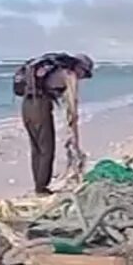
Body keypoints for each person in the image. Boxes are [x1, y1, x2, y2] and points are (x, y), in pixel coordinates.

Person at [14, 51, 93, 195]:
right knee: (46, 150)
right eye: (84, 74)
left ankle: (38, 184)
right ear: (80, 68)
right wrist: (74, 137)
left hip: (26, 105)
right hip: (40, 106)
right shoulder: (69, 75)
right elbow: (72, 106)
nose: (82, 78)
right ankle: (41, 188)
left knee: (36, 148)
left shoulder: (55, 71)